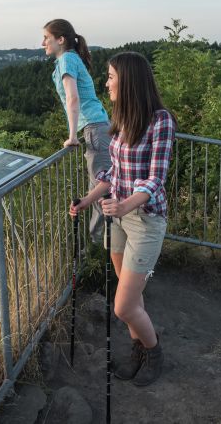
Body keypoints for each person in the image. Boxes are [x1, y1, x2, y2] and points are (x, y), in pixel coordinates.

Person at [69, 51, 176, 386]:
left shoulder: (161, 121)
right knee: (132, 300)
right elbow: (114, 172)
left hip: (144, 221)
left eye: (112, 76)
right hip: (120, 218)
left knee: (123, 306)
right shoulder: (122, 119)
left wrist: (126, 204)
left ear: (128, 80)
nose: (107, 83)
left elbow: (155, 178)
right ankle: (138, 351)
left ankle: (154, 353)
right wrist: (88, 200)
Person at [43, 19, 112, 243]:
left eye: (47, 38)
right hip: (96, 128)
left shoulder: (66, 60)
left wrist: (72, 136)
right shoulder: (70, 59)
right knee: (98, 187)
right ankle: (99, 245)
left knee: (104, 188)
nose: (43, 42)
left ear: (60, 40)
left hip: (94, 129)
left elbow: (73, 98)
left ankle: (107, 247)